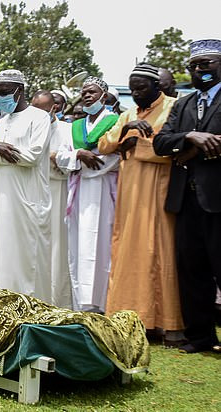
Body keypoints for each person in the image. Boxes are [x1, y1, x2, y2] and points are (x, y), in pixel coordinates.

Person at [99, 63, 183, 339]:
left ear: (157, 87)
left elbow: (175, 147)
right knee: (127, 249)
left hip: (158, 188)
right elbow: (104, 145)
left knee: (157, 249)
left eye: (141, 88)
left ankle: (164, 321)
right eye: (132, 89)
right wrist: (126, 132)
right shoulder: (128, 113)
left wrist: (140, 146)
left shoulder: (174, 107)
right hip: (130, 190)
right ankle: (129, 314)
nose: (135, 94)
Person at [153, 39, 221, 354]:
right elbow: (161, 143)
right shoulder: (182, 104)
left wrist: (186, 152)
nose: (198, 71)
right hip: (185, 200)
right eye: (193, 66)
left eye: (205, 64)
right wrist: (191, 138)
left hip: (217, 198)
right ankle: (201, 337)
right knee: (192, 269)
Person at [0, 69, 52, 301]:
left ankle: (24, 303)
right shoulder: (0, 121)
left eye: (5, 93)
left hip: (23, 197)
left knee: (20, 255)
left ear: (20, 91)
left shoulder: (39, 118)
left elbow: (31, 156)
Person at [56, 76, 120, 313]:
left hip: (103, 190)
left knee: (101, 244)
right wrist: (78, 156)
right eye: (84, 92)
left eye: (92, 92)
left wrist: (83, 162)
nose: (87, 96)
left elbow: (113, 158)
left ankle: (102, 302)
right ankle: (79, 302)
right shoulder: (75, 126)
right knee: (78, 246)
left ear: (103, 96)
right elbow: (61, 155)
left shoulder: (114, 122)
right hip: (78, 190)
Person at [32, 90, 73, 308]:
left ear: (53, 109)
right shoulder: (29, 127)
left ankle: (58, 302)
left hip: (57, 192)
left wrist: (55, 158)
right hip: (31, 193)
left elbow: (72, 163)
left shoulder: (67, 130)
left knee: (57, 249)